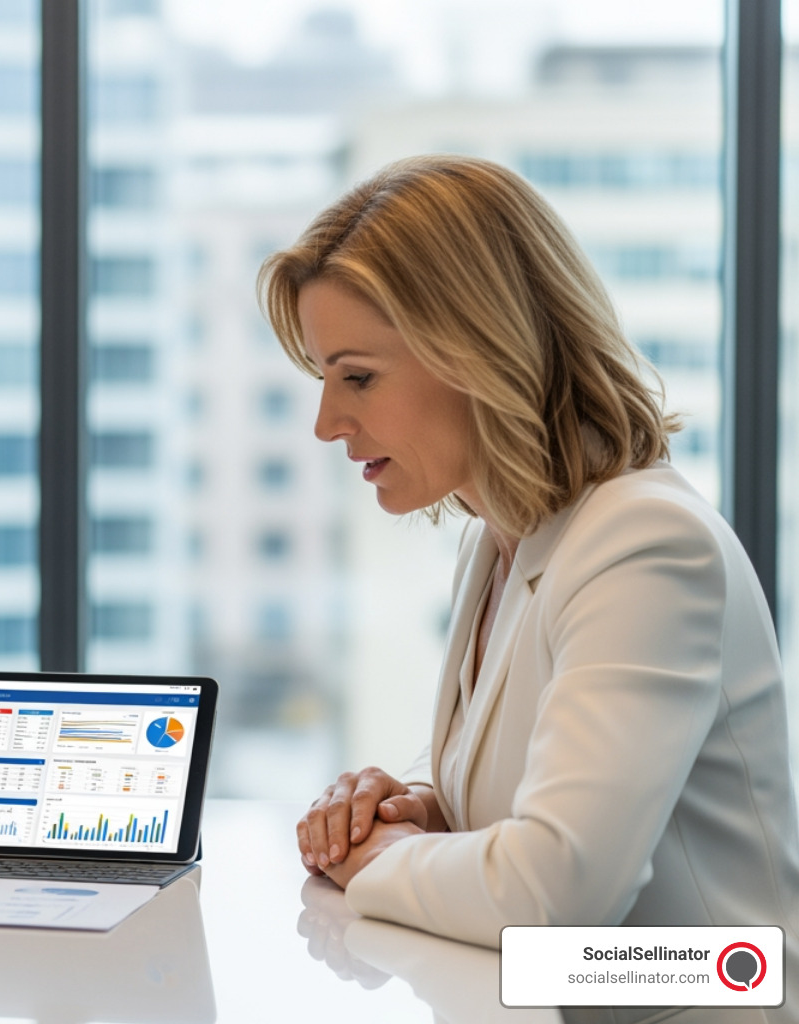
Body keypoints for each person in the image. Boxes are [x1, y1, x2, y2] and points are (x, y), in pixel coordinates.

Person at [263, 155, 799, 954]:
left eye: (359, 378)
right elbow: (536, 811)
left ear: (477, 353)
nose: (327, 422)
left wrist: (380, 861)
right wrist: (418, 808)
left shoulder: (646, 548)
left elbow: (558, 889)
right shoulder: (497, 543)